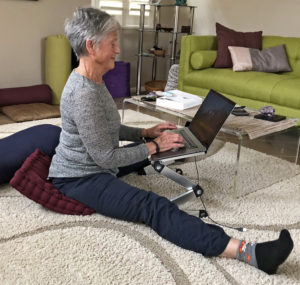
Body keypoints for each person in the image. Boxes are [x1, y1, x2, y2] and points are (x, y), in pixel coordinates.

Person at [49, 7, 293, 275]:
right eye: (113, 43)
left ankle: (167, 146)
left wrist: (145, 135)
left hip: (97, 162)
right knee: (153, 206)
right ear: (91, 46)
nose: (118, 50)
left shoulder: (95, 81)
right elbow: (106, 158)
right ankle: (250, 252)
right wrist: (153, 147)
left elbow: (108, 128)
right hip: (80, 177)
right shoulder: (83, 94)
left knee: (158, 147)